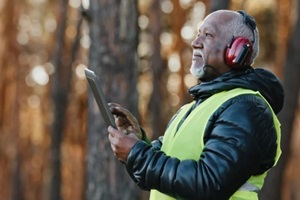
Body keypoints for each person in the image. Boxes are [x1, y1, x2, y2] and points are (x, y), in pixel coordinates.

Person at [107, 9, 284, 200]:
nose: (195, 42)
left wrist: (137, 154)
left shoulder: (247, 109)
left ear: (237, 51)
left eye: (208, 35)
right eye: (198, 34)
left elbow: (208, 184)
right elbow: (157, 174)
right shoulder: (193, 109)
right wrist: (137, 141)